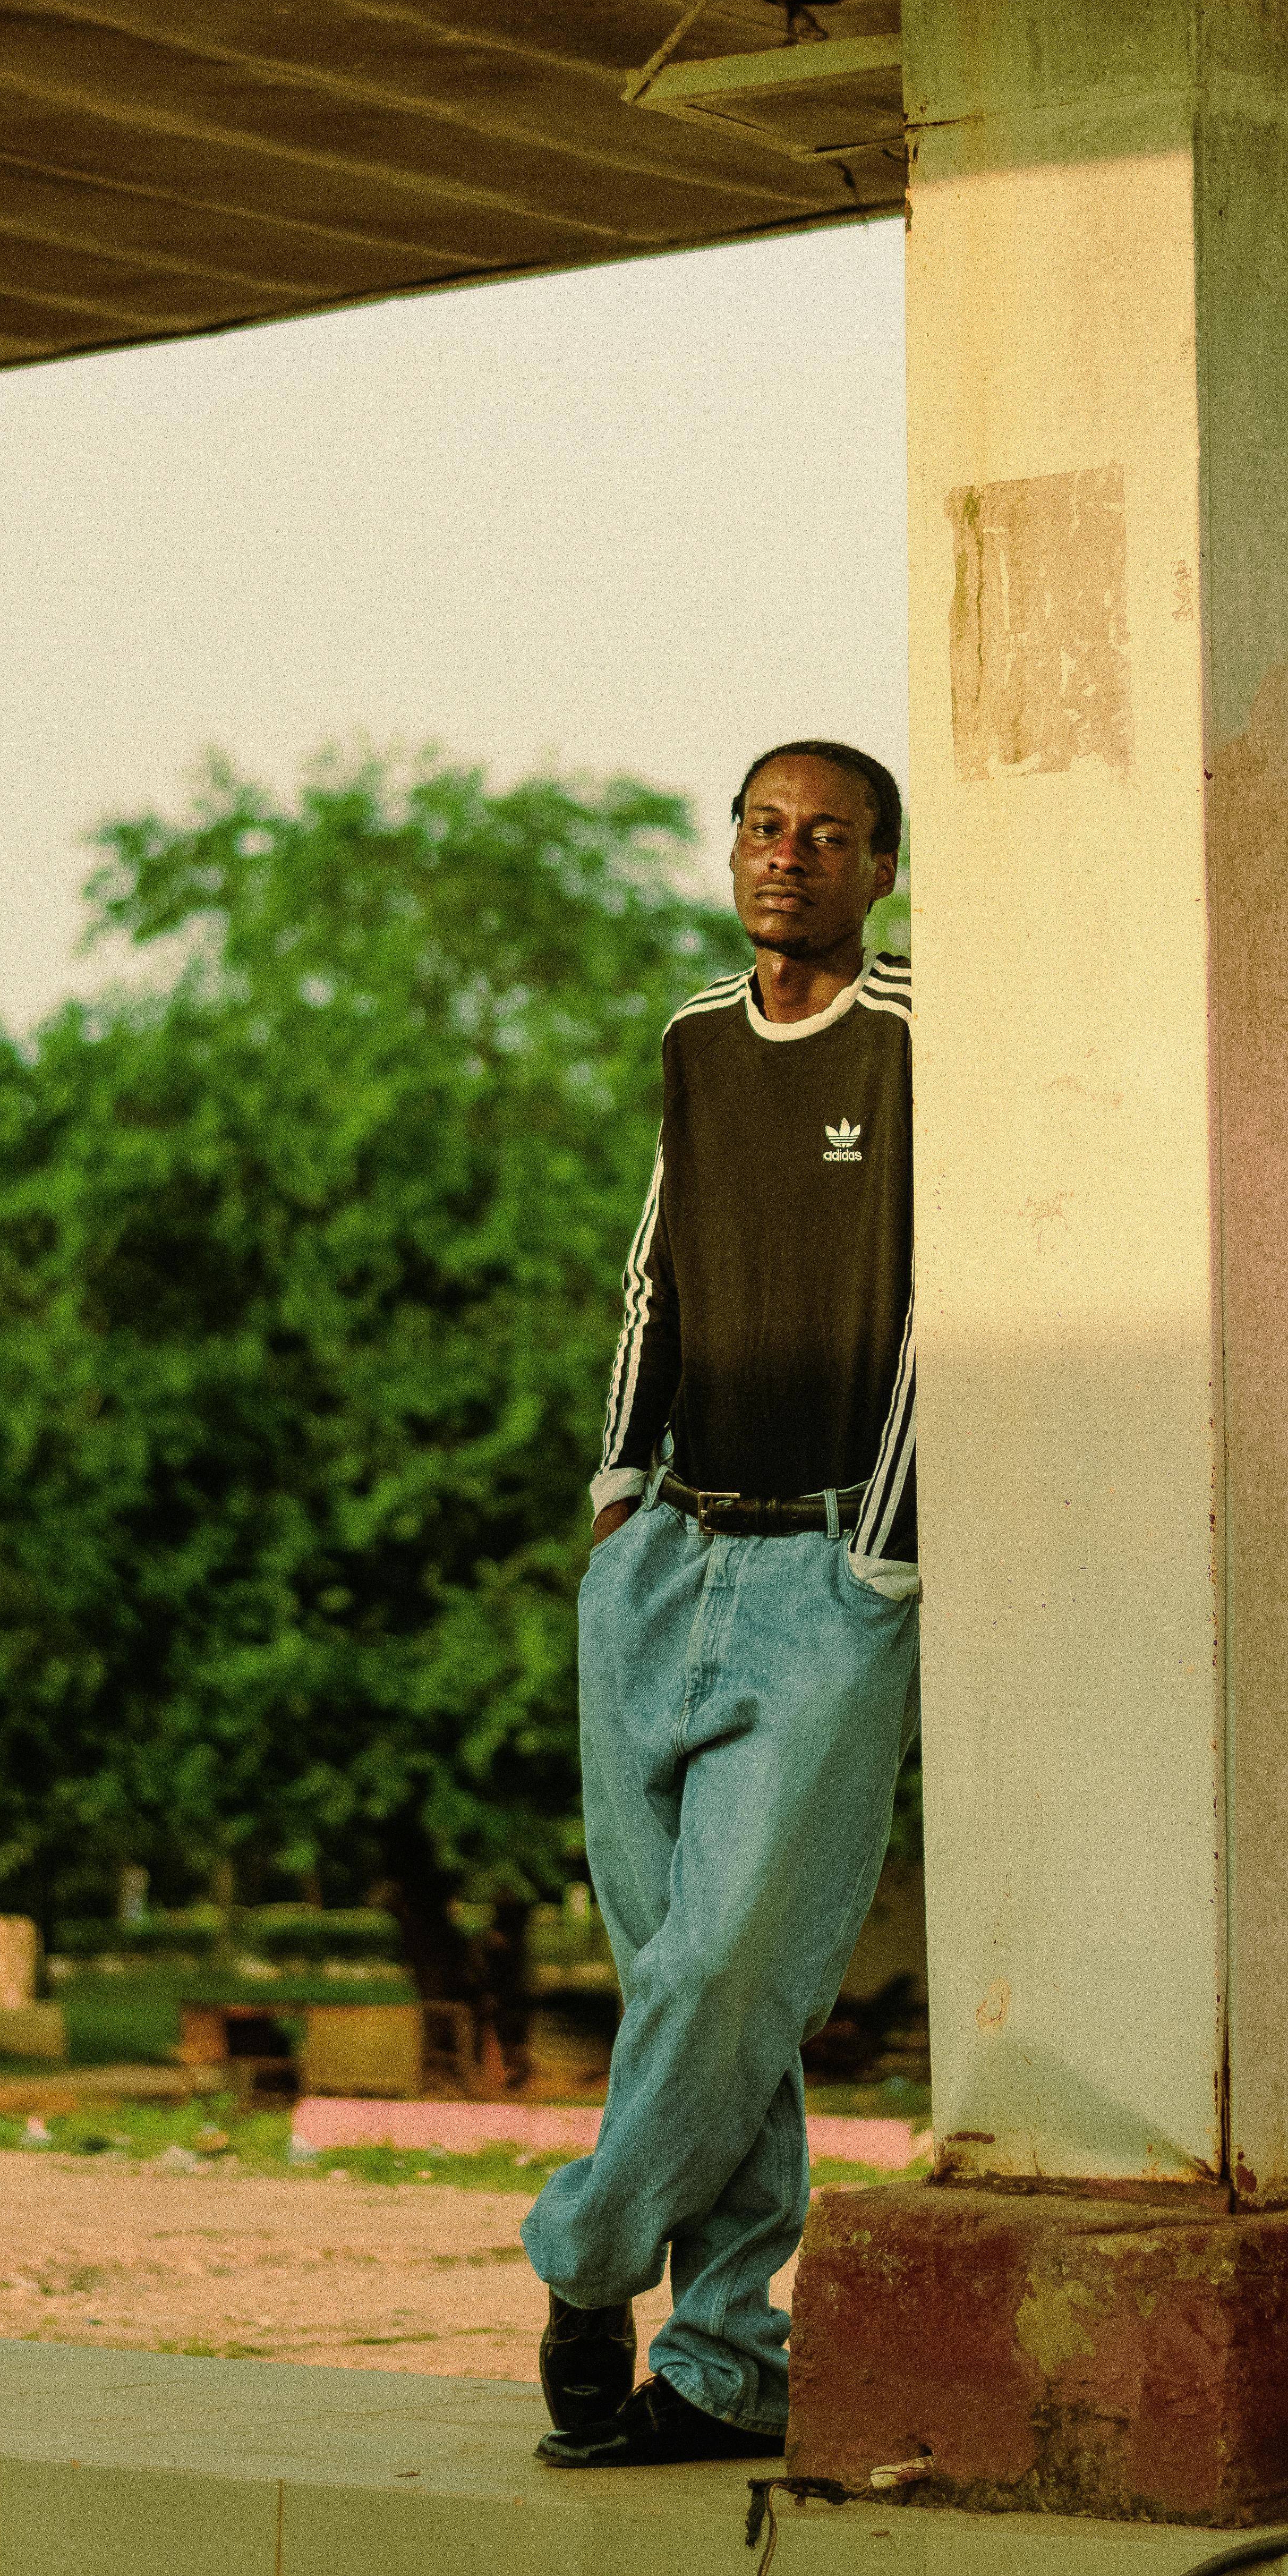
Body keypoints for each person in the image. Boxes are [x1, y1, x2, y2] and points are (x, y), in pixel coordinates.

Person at [521, 738, 918, 2470]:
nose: (787, 858)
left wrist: (886, 1549)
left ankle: (584, 2258)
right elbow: (653, 1265)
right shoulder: (694, 1033)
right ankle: (725, 2366)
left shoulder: (920, 1036)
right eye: (765, 826)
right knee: (681, 1976)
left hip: (834, 1567)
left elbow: (953, 1299)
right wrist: (616, 1492)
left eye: (828, 836)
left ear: (882, 867)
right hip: (666, 1551)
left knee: (730, 1967)